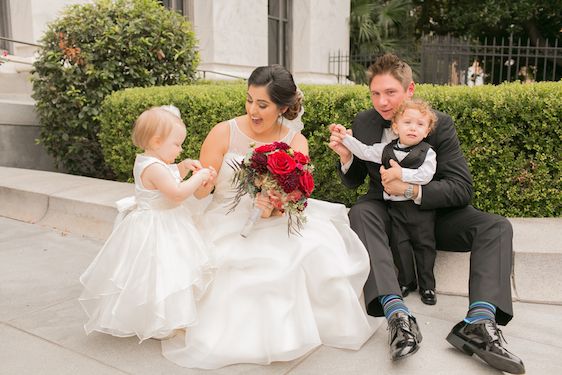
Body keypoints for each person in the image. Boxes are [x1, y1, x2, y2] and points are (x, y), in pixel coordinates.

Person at [161, 65, 375, 369]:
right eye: (249, 100)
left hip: (273, 219)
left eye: (262, 105)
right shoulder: (224, 132)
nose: (253, 111)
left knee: (305, 253)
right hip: (224, 216)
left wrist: (276, 203)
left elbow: (297, 197)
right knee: (225, 267)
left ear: (283, 108)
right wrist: (201, 182)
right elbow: (200, 193)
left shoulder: (295, 140)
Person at [329, 53, 525, 374]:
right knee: (361, 212)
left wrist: (411, 190)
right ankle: (397, 316)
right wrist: (346, 157)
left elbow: (461, 188)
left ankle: (479, 322)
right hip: (386, 214)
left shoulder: (439, 124)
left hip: (433, 216)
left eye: (390, 93)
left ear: (409, 90)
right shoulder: (364, 122)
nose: (381, 101)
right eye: (375, 93)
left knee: (497, 226)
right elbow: (353, 182)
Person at [79, 106, 216, 342]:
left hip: (163, 221)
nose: (180, 148)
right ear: (156, 141)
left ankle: (169, 315)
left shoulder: (152, 161)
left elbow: (169, 176)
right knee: (159, 272)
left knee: (169, 270)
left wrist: (182, 167)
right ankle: (159, 319)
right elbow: (175, 193)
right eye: (177, 144)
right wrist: (198, 178)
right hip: (157, 226)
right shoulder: (153, 168)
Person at [333, 98, 439, 306]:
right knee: (400, 245)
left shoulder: (428, 152)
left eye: (420, 125)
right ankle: (406, 281)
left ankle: (427, 285)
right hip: (396, 209)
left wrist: (402, 174)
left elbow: (426, 175)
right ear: (396, 127)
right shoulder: (384, 149)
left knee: (424, 246)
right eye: (408, 123)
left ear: (426, 131)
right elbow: (363, 151)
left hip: (420, 210)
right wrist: (345, 139)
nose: (413, 128)